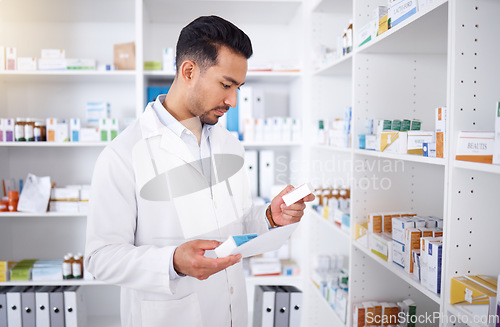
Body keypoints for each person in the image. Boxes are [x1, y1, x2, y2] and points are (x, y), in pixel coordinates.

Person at [85, 15, 314, 327]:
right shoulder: (123, 154)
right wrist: (173, 262)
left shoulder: (230, 145)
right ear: (188, 71)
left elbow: (238, 223)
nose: (233, 100)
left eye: (238, 87)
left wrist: (271, 217)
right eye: (226, 85)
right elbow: (102, 258)